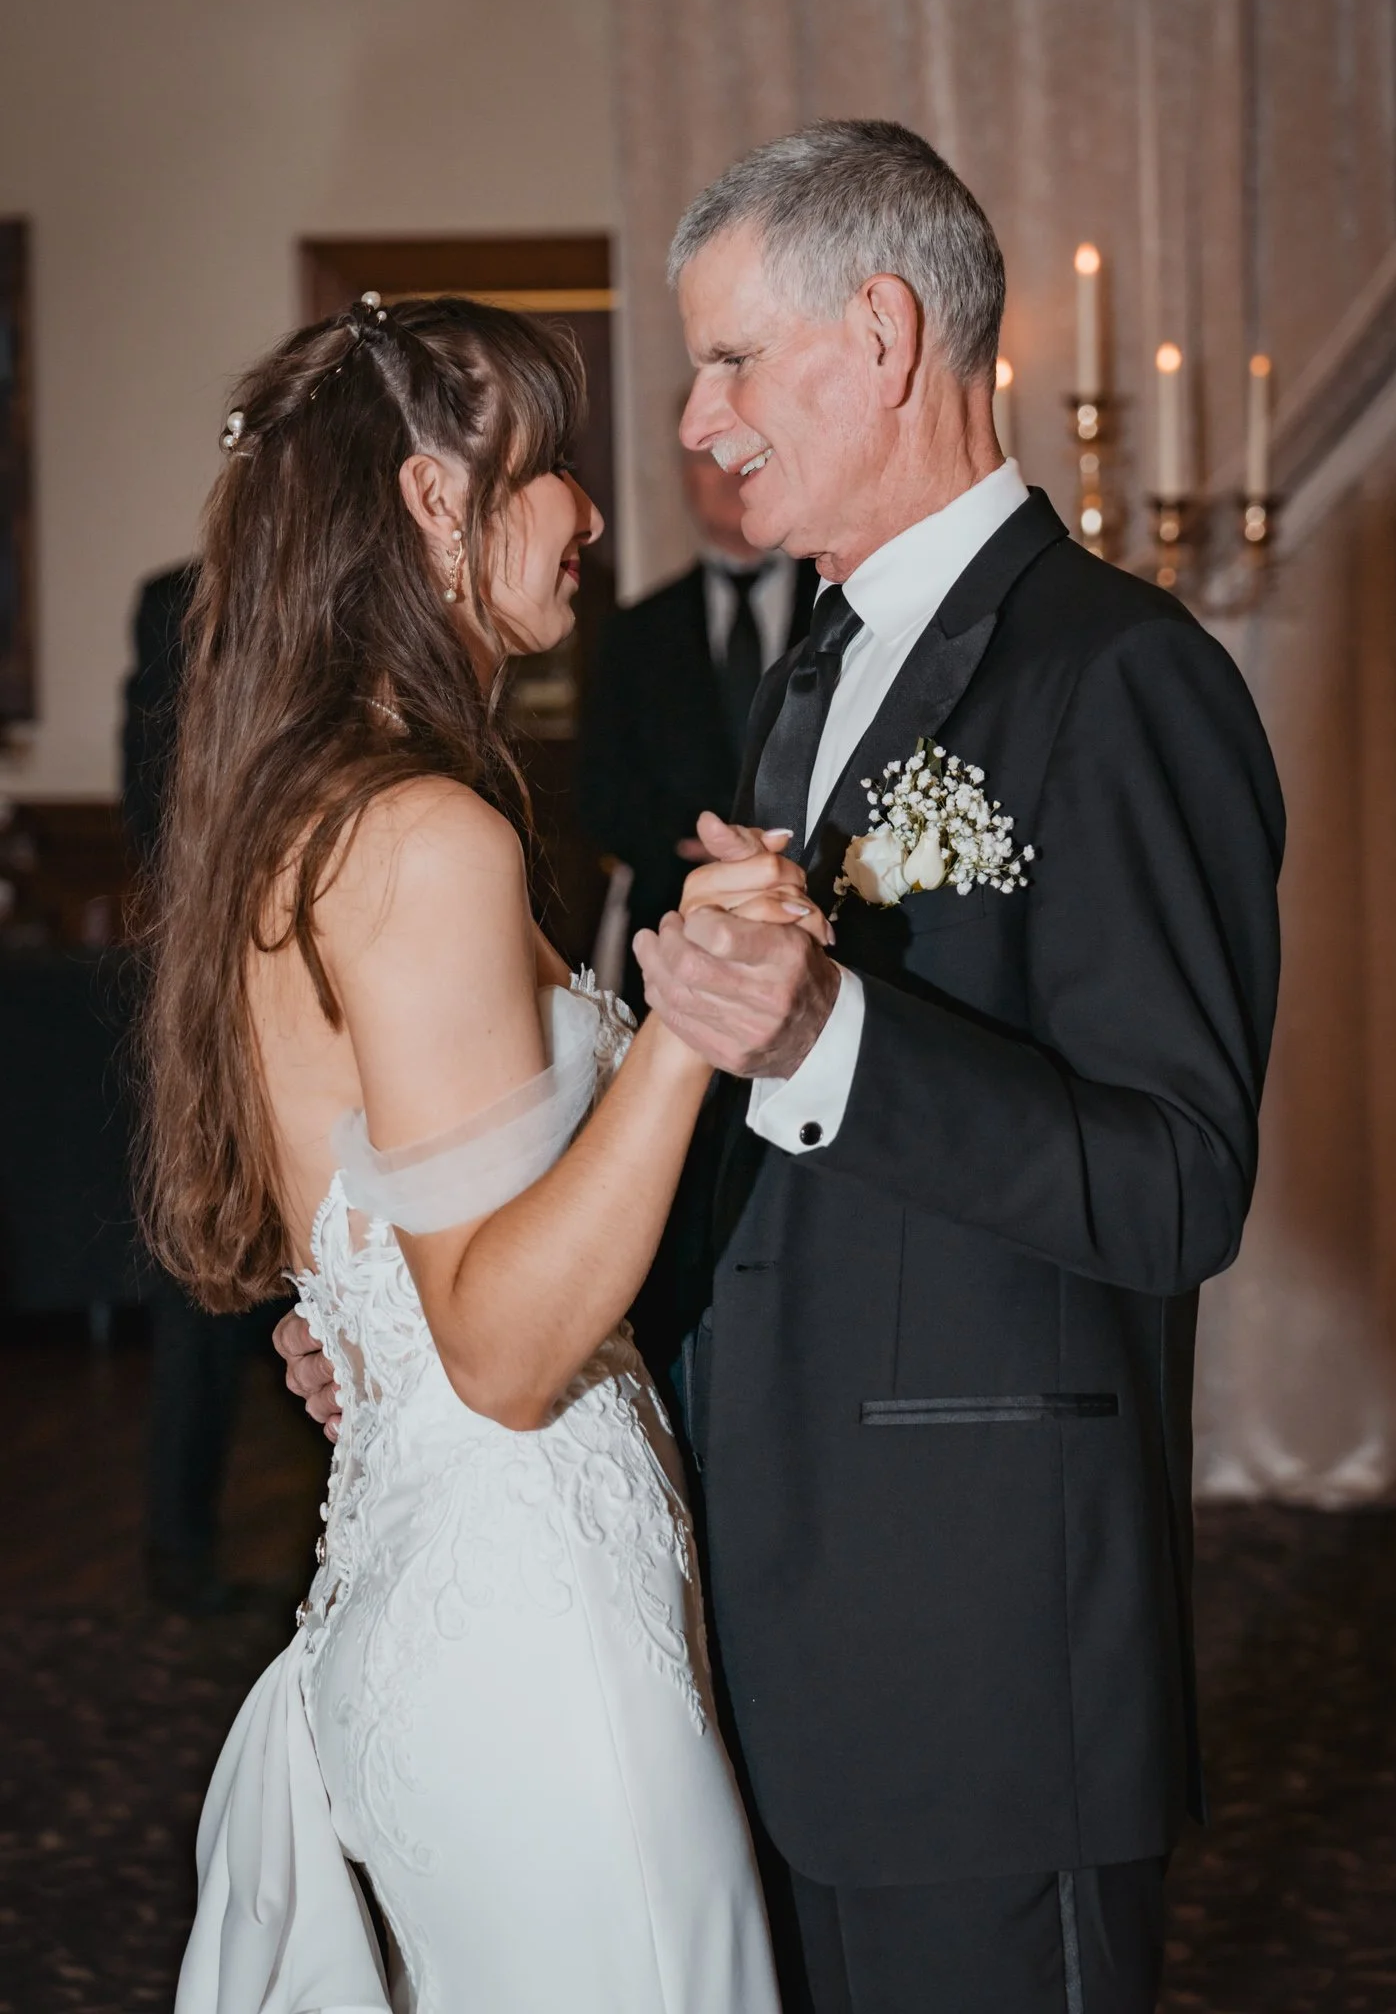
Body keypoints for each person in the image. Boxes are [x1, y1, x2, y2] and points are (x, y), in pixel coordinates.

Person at [282, 123, 1285, 2014]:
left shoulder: (1117, 676)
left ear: (884, 335)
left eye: (734, 359)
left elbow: (1177, 1186)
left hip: (979, 1670)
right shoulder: (808, 678)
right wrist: (413, 1324)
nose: (697, 421)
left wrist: (836, 1038)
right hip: (747, 1638)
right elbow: (749, 1186)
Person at [144, 295, 817, 2011]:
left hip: (451, 1598)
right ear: (438, 500)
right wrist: (693, 1015)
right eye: (551, 466)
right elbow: (503, 1352)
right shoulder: (423, 835)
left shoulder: (316, 810)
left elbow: (395, 1266)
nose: (589, 509)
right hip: (531, 1636)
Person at [123, 560, 285, 1615]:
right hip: (215, 993)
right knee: (203, 1288)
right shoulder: (173, 604)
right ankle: (176, 1550)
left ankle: (339, 1551)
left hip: (323, 975)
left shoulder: (331, 590)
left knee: (332, 1275)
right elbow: (148, 804)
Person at [579, 442, 811, 1015]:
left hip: (815, 911)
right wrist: (686, 845)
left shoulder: (842, 609)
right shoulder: (634, 633)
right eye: (710, 459)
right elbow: (599, 792)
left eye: (747, 456)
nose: (730, 474)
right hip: (671, 927)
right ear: (685, 477)